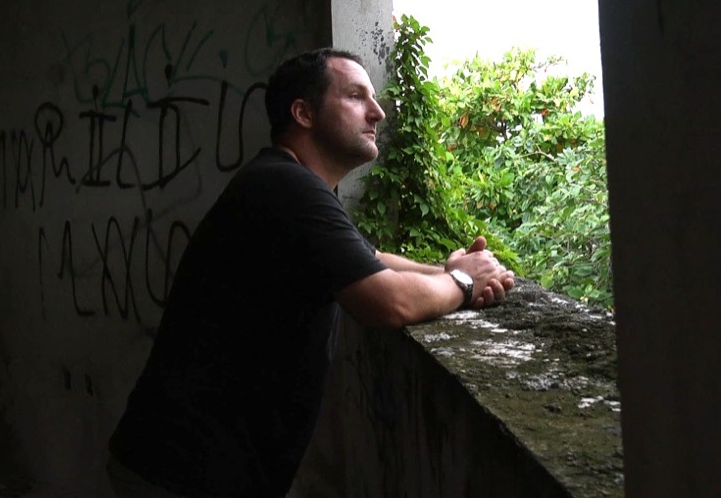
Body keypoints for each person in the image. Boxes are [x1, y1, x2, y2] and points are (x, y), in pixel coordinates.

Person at [106, 48, 515, 498]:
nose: (377, 112)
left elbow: (370, 257)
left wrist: (449, 268)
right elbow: (389, 302)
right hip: (181, 476)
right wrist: (464, 283)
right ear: (303, 113)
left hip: (186, 469)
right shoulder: (286, 187)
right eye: (356, 96)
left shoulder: (288, 183)